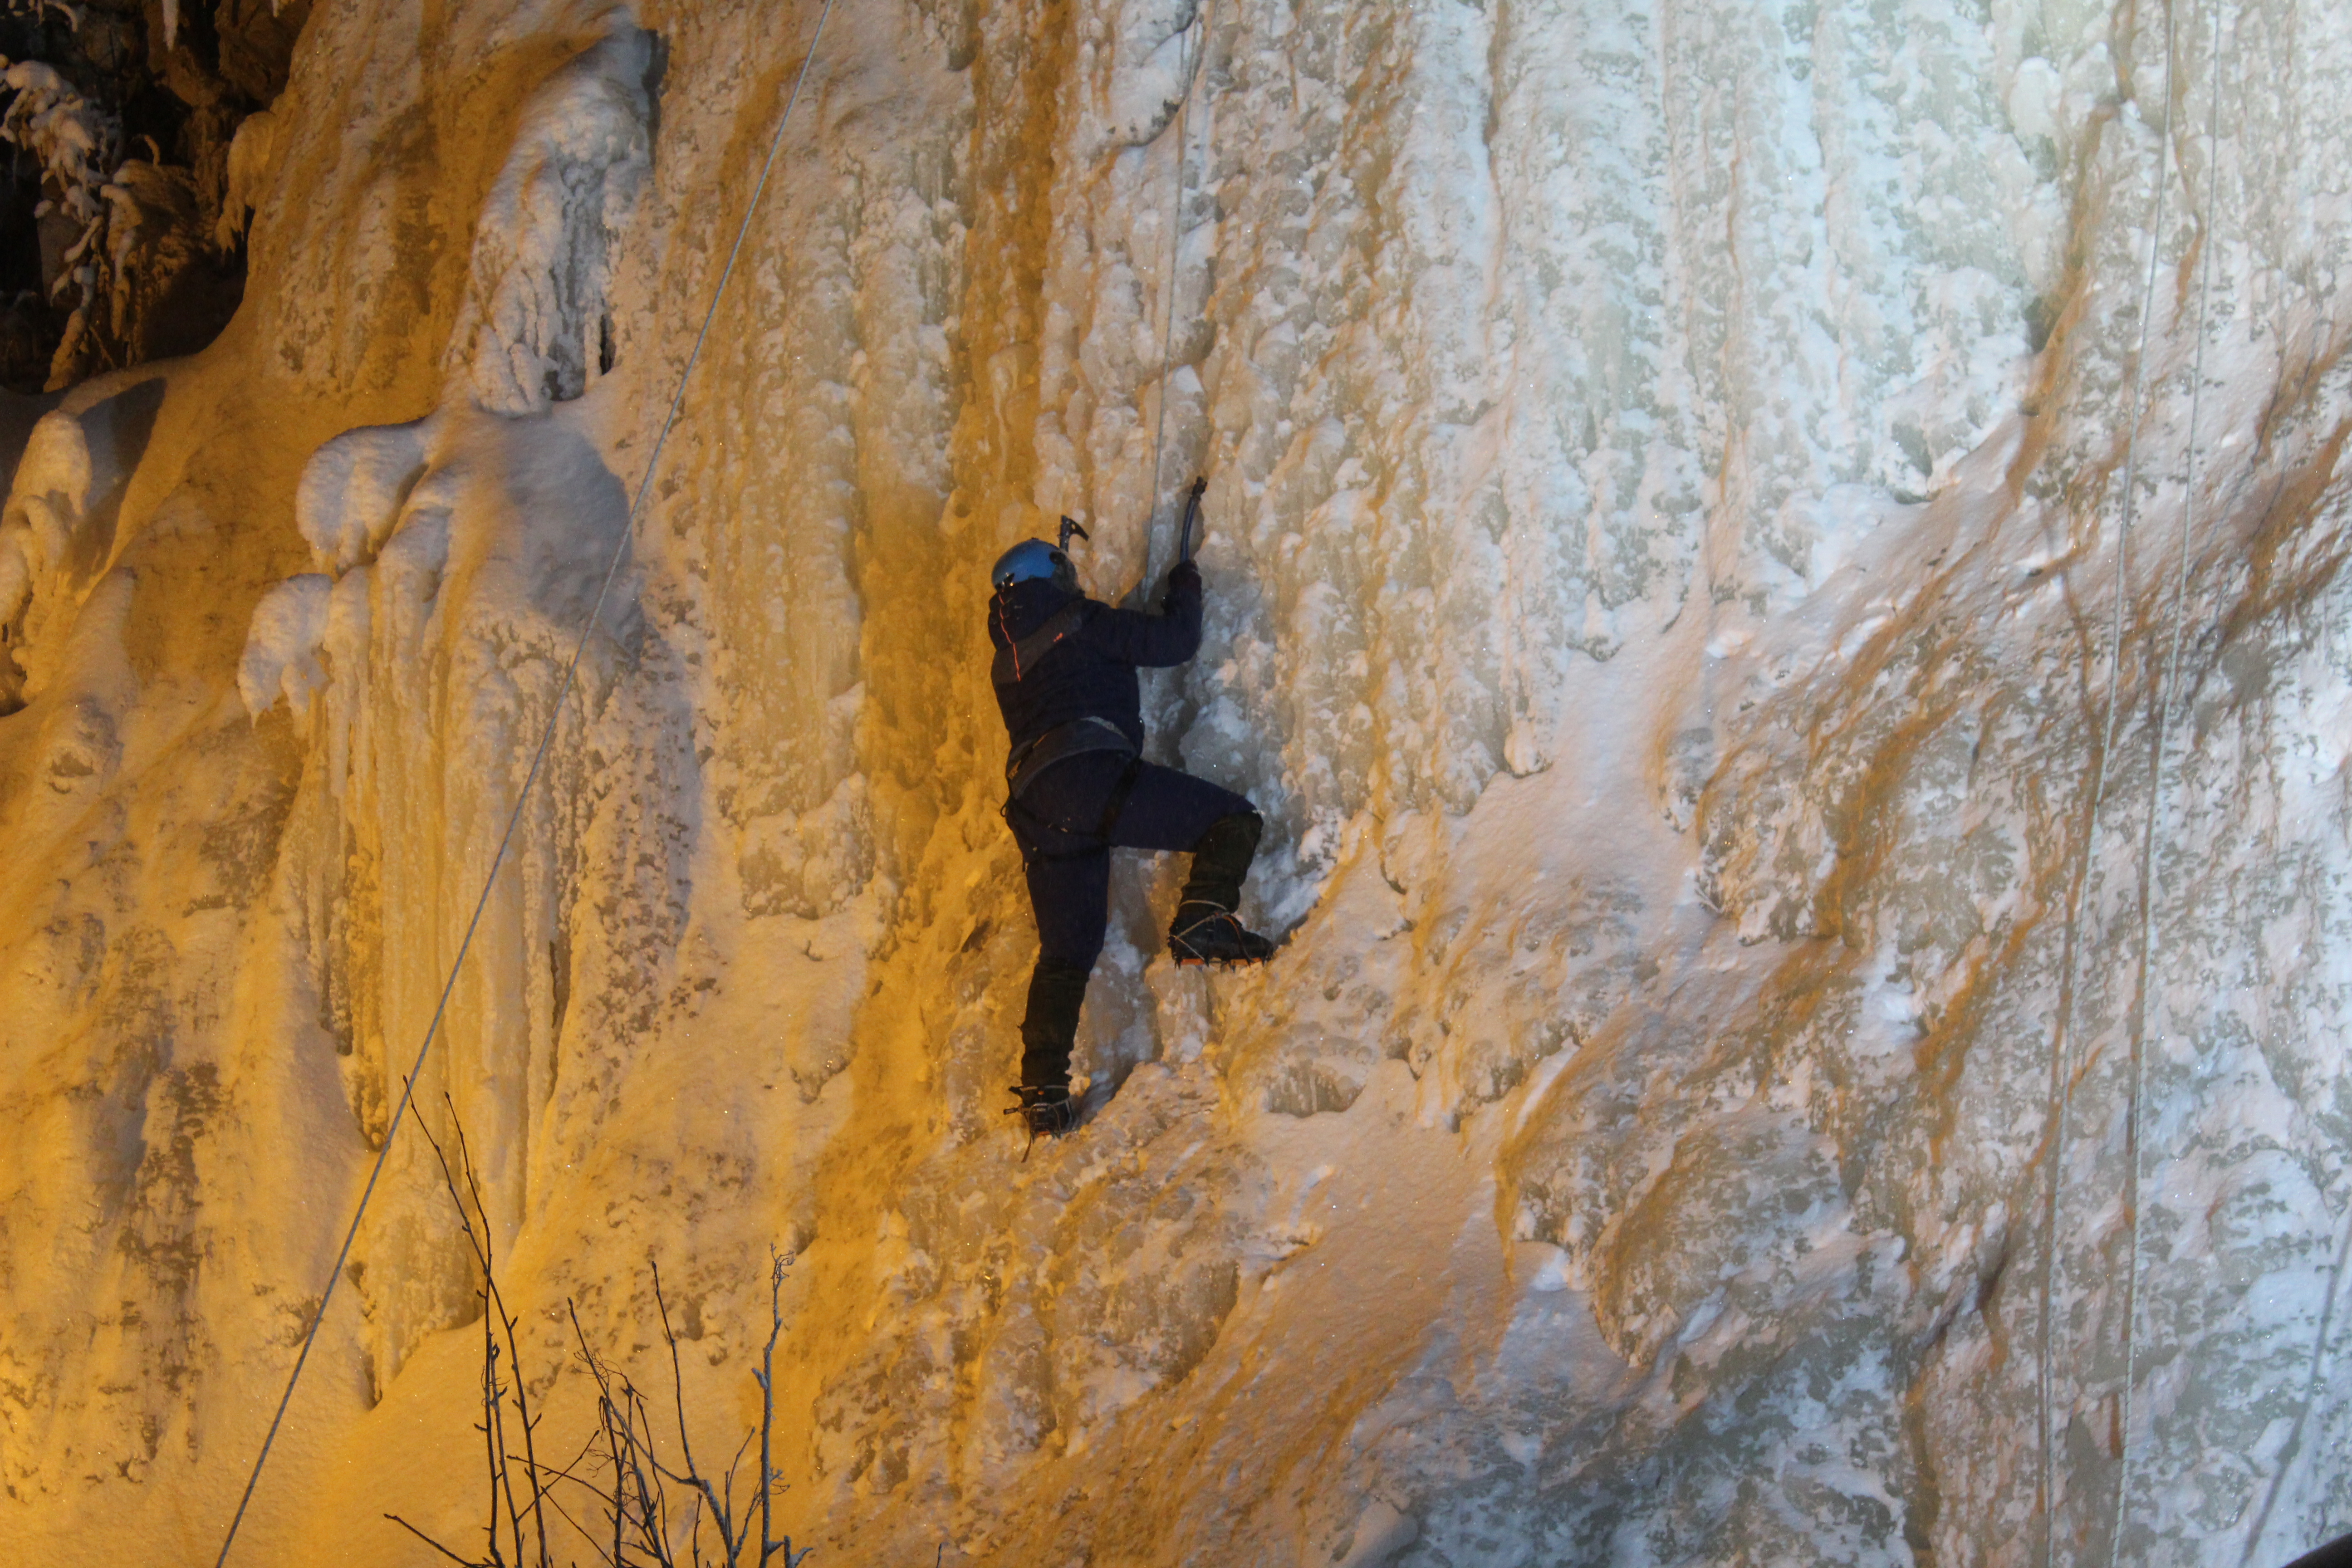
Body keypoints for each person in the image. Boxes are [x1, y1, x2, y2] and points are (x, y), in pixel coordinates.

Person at [986, 514, 1273, 1140]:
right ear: (1053, 578)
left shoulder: (1005, 664)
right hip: (1090, 777)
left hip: (1037, 810)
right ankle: (1202, 919)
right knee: (1233, 819)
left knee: (1066, 951)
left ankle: (1042, 1092)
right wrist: (1186, 580)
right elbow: (1173, 642)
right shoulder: (1081, 621)